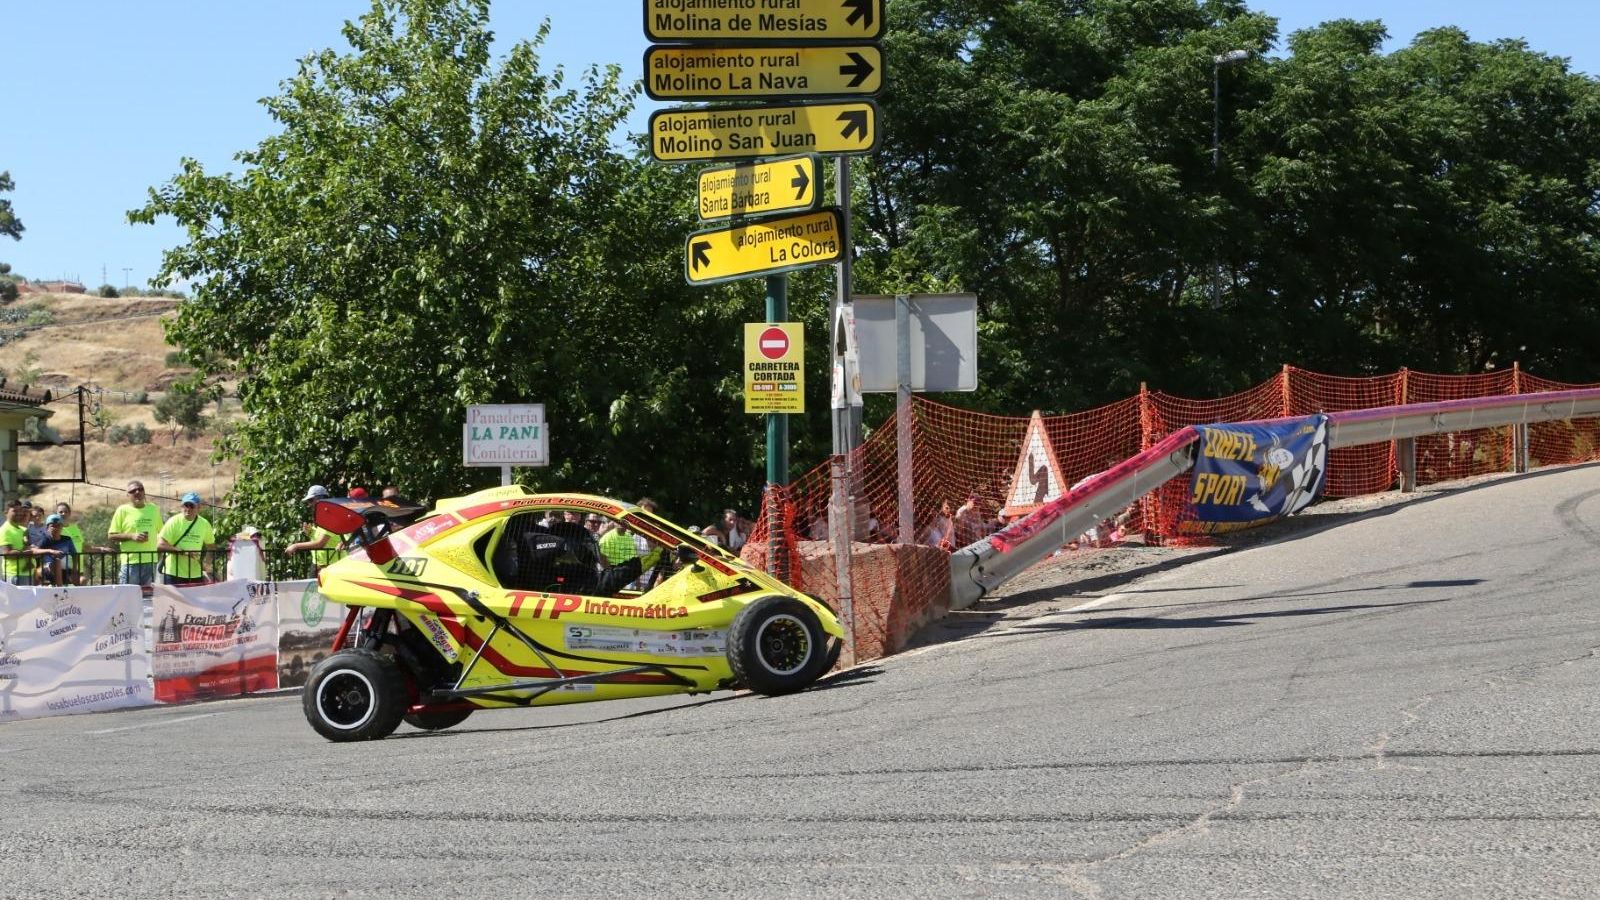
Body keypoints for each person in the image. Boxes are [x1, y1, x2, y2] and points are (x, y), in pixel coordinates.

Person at [107, 480, 162, 587]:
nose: (137, 492)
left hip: (151, 561)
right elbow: (111, 535)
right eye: (133, 491)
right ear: (128, 495)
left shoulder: (154, 509)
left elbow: (161, 533)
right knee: (128, 597)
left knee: (147, 599)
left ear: (144, 492)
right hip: (131, 562)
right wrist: (132, 536)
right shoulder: (122, 510)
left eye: (141, 489)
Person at [158, 492, 217, 586]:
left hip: (195, 573)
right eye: (185, 505)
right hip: (172, 573)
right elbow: (160, 545)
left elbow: (211, 546)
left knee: (194, 601)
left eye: (191, 506)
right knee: (172, 601)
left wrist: (207, 562)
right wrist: (184, 552)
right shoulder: (173, 521)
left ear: (198, 508)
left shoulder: (204, 524)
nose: (188, 509)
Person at [285, 484, 343, 571]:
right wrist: (311, 532)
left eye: (311, 500)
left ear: (321, 499)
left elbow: (320, 543)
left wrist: (296, 546)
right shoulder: (323, 516)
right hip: (320, 564)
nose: (309, 504)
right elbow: (323, 538)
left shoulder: (329, 516)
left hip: (333, 566)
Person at [1, 499, 57, 586]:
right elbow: (7, 553)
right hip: (14, 574)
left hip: (28, 573)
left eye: (20, 510)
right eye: (15, 511)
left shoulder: (22, 529)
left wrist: (47, 551)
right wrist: (29, 552)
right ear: (6, 512)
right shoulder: (4, 530)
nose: (19, 513)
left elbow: (29, 548)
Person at [35, 514, 77, 586]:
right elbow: (35, 551)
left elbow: (74, 555)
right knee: (56, 562)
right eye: (52, 526)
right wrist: (50, 551)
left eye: (58, 526)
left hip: (65, 570)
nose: (56, 528)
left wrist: (74, 569)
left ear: (62, 527)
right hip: (48, 569)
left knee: (82, 579)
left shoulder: (67, 539)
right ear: (47, 527)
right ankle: (59, 589)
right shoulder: (45, 539)